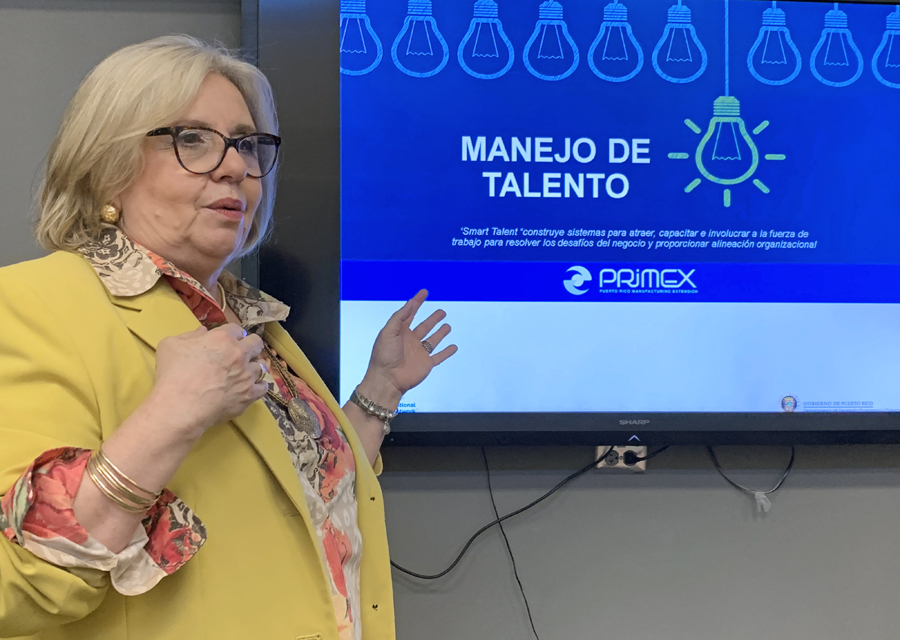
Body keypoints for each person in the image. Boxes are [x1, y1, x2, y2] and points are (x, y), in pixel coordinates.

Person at [0, 35, 455, 640]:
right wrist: (169, 417)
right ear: (106, 167)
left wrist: (379, 392)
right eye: (192, 139)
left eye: (246, 143)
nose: (236, 166)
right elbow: (16, 584)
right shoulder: (29, 305)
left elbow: (310, 499)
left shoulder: (246, 321)